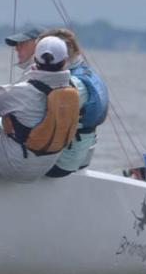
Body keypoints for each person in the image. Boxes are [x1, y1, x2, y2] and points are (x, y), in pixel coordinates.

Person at [0, 35, 80, 182]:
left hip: (11, 167)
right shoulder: (73, 90)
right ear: (65, 60)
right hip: (45, 167)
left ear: (35, 59)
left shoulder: (22, 91)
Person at [38, 28, 110, 177]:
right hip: (79, 156)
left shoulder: (73, 85)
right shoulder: (86, 74)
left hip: (61, 163)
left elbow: (34, 115)